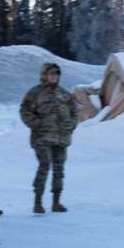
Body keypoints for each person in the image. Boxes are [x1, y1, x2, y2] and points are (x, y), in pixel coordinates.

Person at [20, 62, 79, 214]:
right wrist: (37, 124)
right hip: (42, 138)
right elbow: (25, 111)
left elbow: (74, 111)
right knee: (45, 166)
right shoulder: (35, 93)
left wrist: (71, 125)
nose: (54, 76)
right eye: (51, 73)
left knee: (59, 169)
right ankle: (38, 202)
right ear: (44, 75)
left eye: (56, 74)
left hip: (61, 138)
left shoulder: (64, 94)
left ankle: (56, 202)